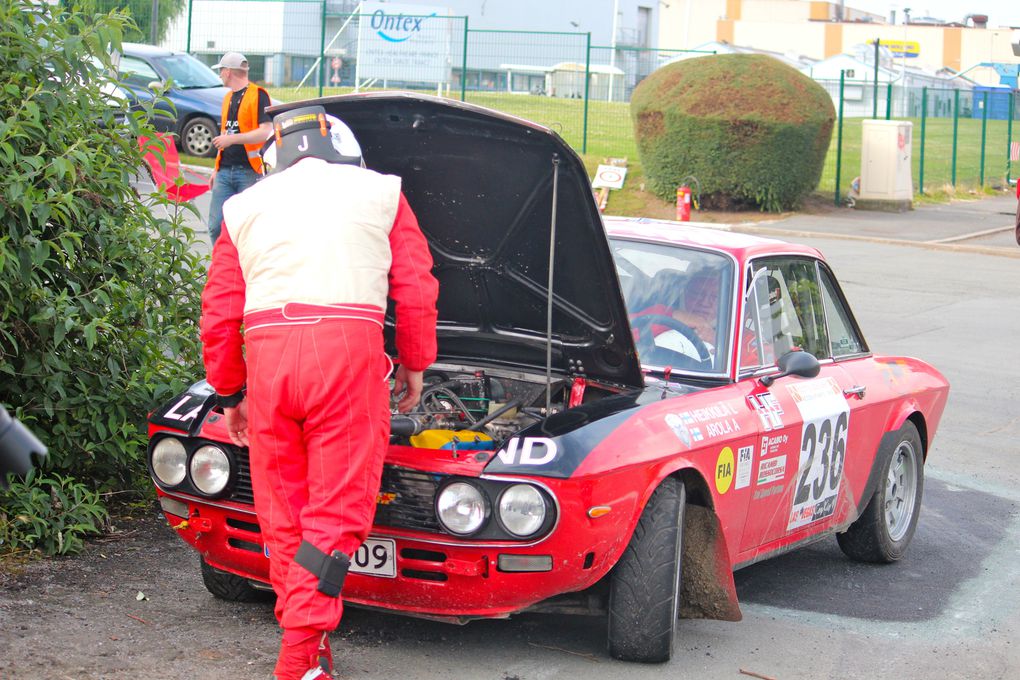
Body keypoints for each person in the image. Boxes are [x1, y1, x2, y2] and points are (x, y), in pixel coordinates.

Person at [200, 105, 439, 680]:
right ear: (347, 150)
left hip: (269, 361)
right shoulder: (382, 192)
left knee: (284, 517)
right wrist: (414, 362)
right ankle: (299, 660)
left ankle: (308, 644)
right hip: (347, 359)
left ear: (274, 158)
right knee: (334, 516)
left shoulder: (242, 207)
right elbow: (415, 287)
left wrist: (231, 392)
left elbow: (218, 312)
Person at [207, 51, 272, 245]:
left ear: (228, 72)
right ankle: (222, 268)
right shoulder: (228, 98)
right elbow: (226, 133)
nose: (220, 75)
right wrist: (215, 169)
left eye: (221, 71)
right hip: (225, 171)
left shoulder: (258, 95)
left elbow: (265, 131)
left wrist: (233, 140)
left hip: (249, 171)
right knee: (216, 226)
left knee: (247, 227)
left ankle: (243, 269)